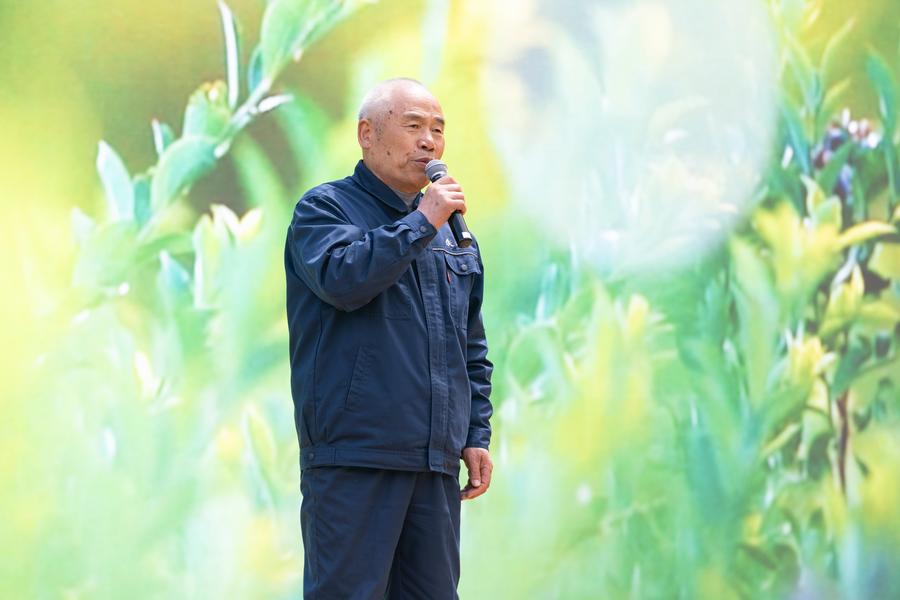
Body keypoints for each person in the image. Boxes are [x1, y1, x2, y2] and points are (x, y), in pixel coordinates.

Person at [284, 77, 494, 599]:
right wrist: (422, 221)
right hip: (356, 458)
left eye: (438, 130)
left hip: (434, 463)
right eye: (413, 126)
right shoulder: (325, 210)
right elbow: (343, 280)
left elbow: (470, 346)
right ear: (367, 135)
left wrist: (475, 433)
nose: (429, 142)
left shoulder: (451, 233)